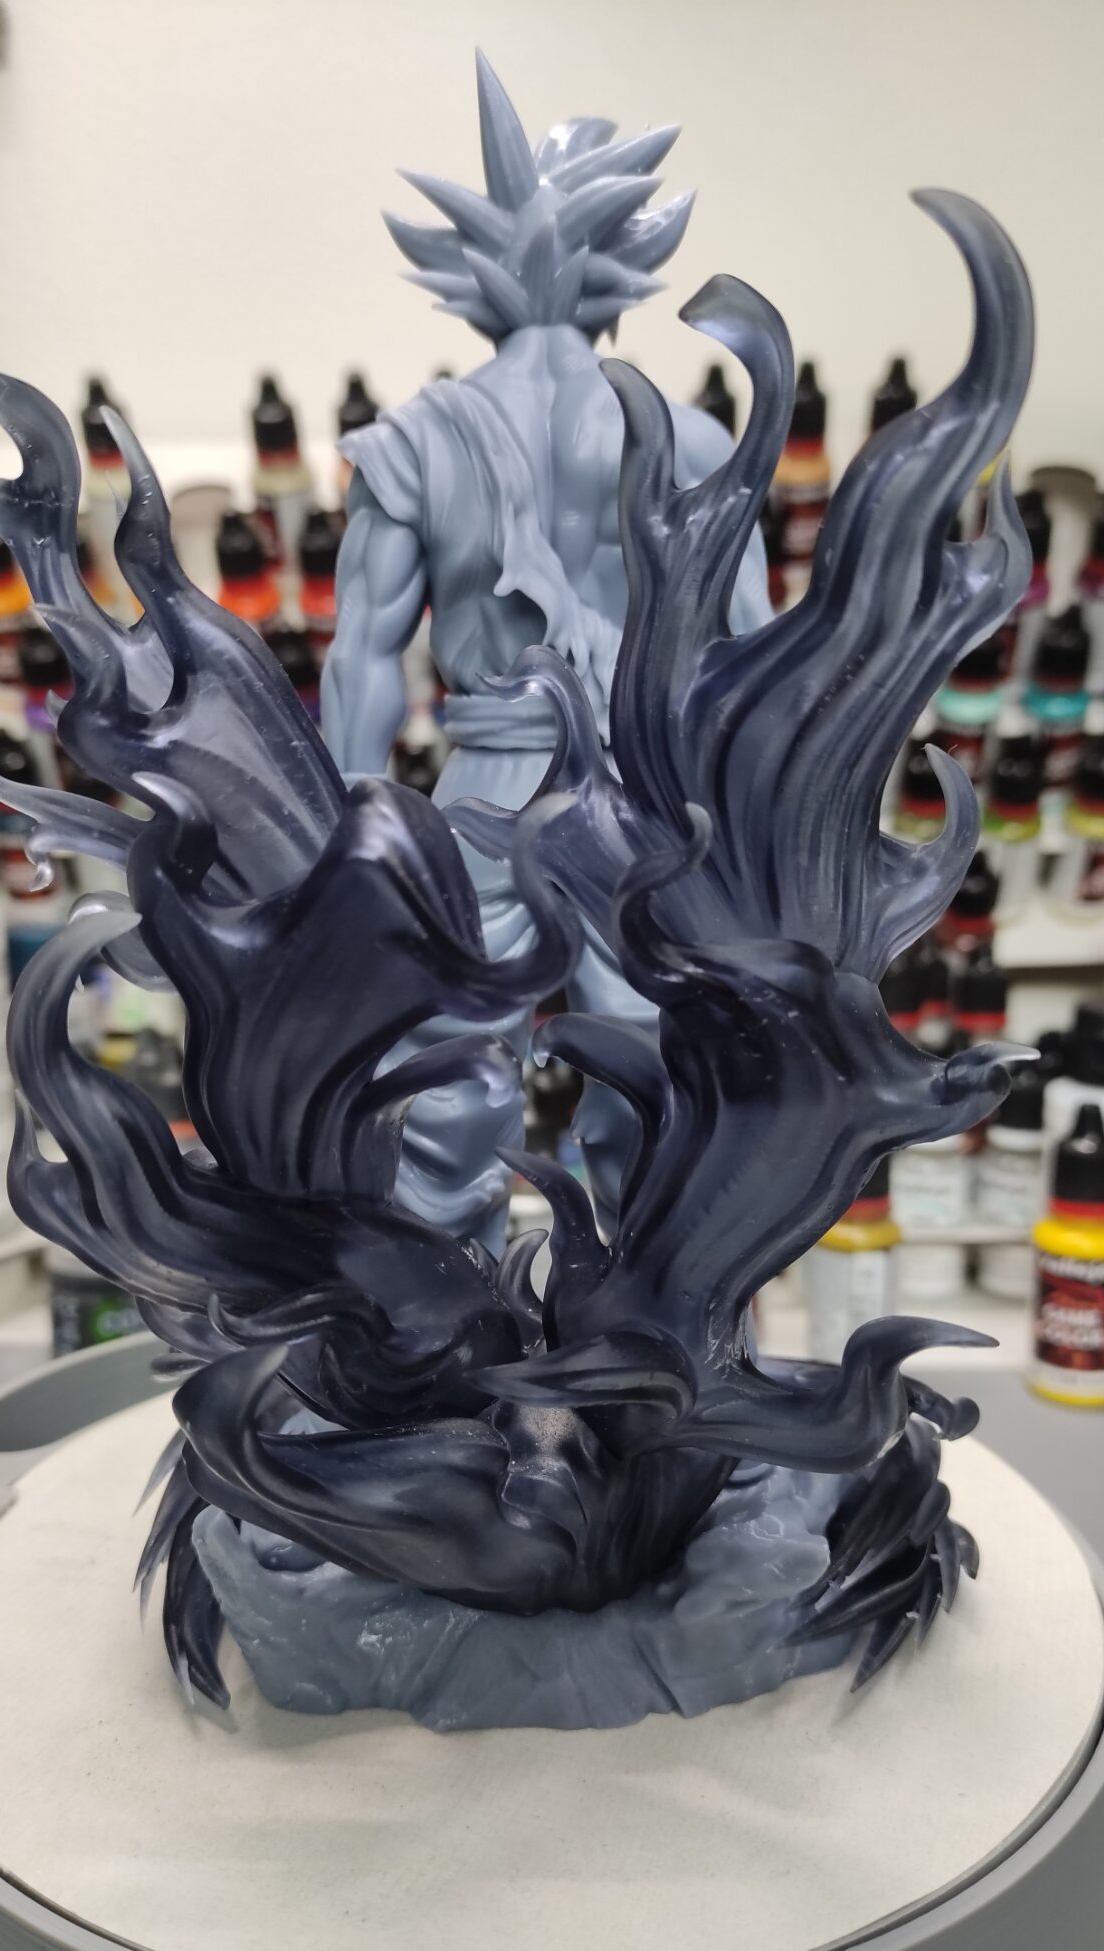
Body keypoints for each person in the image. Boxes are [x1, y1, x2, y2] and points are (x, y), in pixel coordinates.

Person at [322, 53, 772, 1251]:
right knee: (655, 1061)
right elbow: (750, 668)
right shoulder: (687, 438)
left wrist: (343, 839)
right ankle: (648, 1298)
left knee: (442, 1061)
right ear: (628, 256)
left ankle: (447, 1302)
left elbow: (362, 662)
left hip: (482, 788)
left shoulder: (413, 441)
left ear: (468, 264)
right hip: (639, 797)